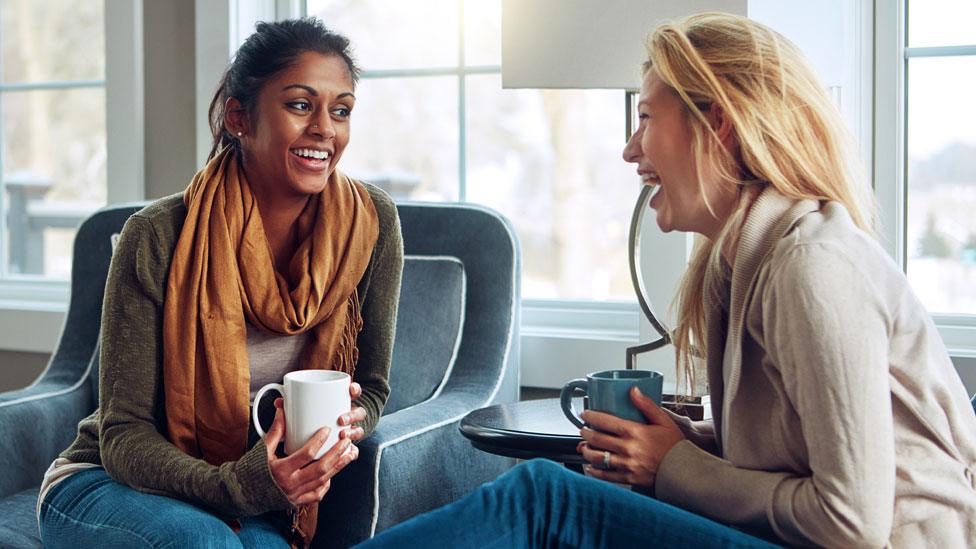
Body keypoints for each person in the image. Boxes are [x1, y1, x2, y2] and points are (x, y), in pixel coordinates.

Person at [357, 12, 976, 548]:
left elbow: (852, 521)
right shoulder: (744, 262)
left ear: (719, 125)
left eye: (646, 117)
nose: (630, 150)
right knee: (561, 490)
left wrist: (675, 465)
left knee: (544, 498)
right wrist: (688, 443)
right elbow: (796, 454)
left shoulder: (812, 266)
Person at [37, 18, 403, 549]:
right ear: (239, 117)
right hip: (108, 485)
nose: (326, 127)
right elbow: (121, 436)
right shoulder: (158, 235)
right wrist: (238, 485)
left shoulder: (370, 225)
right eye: (301, 104)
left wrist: (345, 425)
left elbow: (371, 389)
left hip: (263, 501)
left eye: (341, 110)